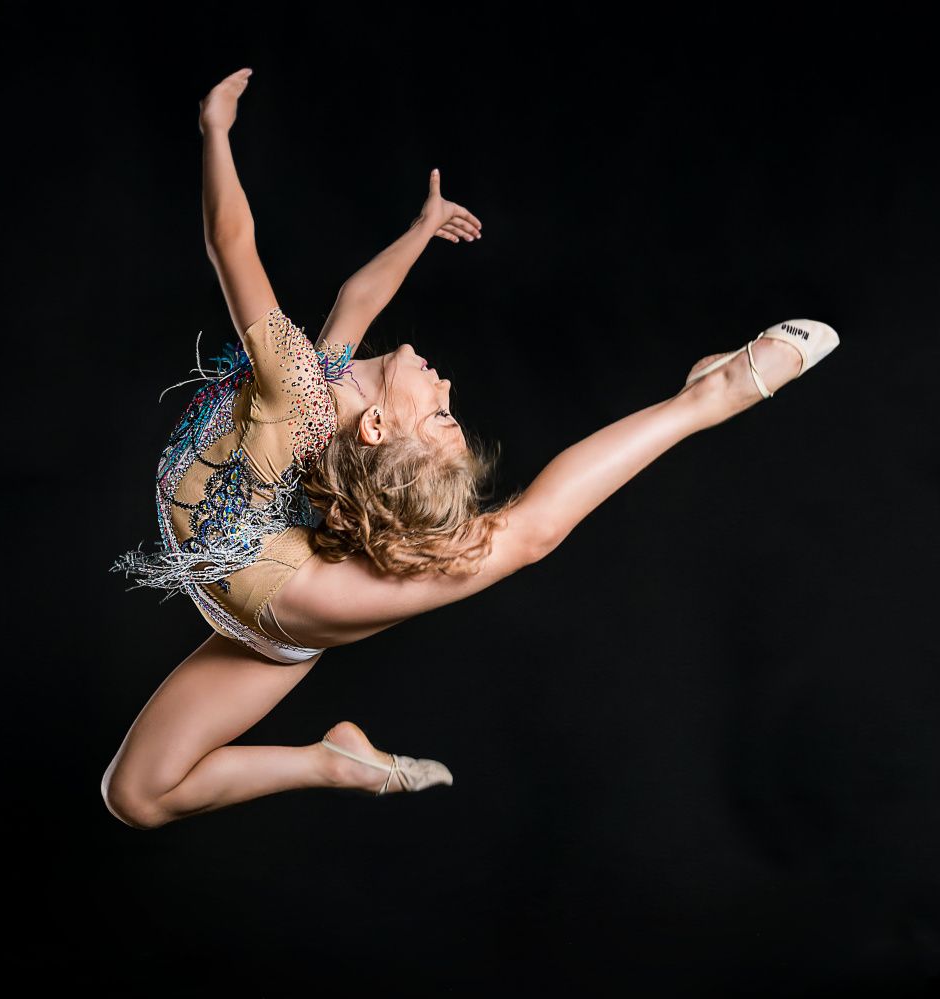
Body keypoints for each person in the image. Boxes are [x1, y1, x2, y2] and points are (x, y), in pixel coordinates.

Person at [102, 68, 840, 830]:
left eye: (439, 413)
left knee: (139, 797)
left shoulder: (295, 394)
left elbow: (230, 240)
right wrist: (421, 231)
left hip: (274, 608)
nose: (448, 385)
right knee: (133, 796)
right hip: (234, 579)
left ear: (377, 430)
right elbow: (358, 300)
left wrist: (215, 129)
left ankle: (709, 395)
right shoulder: (323, 388)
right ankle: (335, 761)